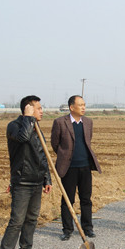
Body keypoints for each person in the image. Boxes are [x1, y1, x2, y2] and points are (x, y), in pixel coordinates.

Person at [0, 95, 52, 249]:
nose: (42, 111)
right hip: (22, 181)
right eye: (38, 108)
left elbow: (42, 155)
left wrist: (47, 178)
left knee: (32, 218)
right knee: (17, 220)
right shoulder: (15, 126)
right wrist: (28, 119)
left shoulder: (36, 128)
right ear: (28, 109)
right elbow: (22, 138)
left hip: (36, 181)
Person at [51, 95, 102, 240]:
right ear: (71, 107)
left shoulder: (88, 122)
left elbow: (88, 141)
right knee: (68, 199)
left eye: (84, 104)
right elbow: (55, 144)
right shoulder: (60, 122)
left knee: (86, 198)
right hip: (68, 167)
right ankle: (67, 229)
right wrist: (64, 156)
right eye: (80, 105)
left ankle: (88, 228)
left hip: (85, 166)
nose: (83, 107)